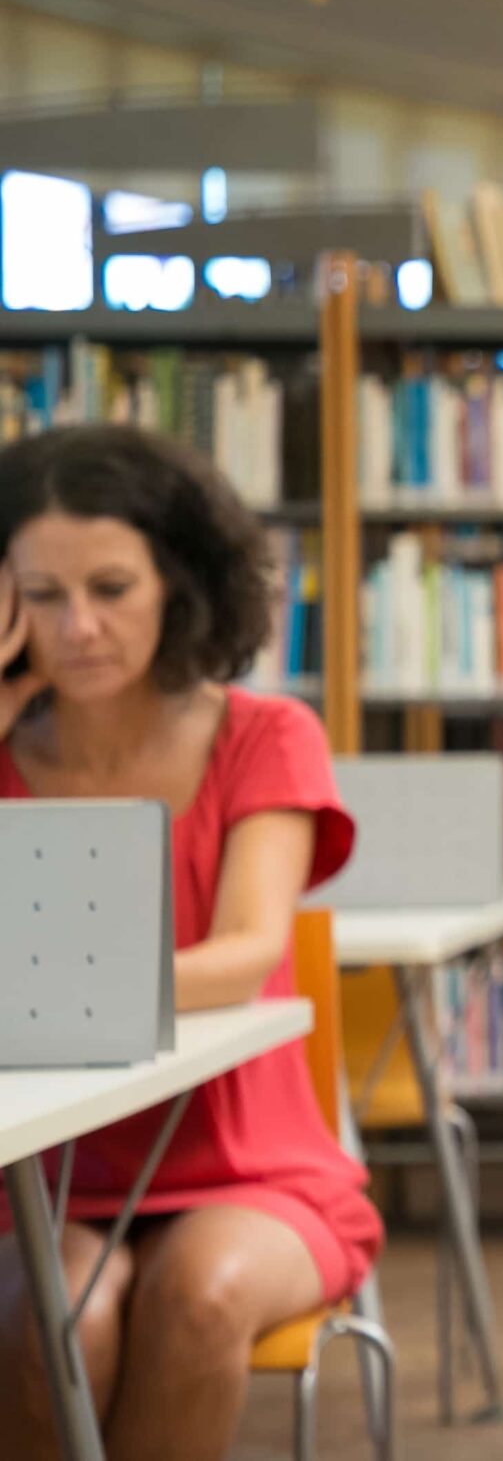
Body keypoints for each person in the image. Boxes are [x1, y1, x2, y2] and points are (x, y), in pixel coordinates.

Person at [0, 425, 380, 1461]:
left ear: (178, 583)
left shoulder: (264, 735)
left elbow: (248, 951)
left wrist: (50, 995)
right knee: (51, 1317)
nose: (79, 626)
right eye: (42, 593)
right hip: (39, 1173)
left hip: (251, 1167)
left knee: (199, 1300)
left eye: (113, 587)